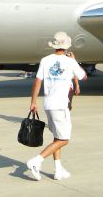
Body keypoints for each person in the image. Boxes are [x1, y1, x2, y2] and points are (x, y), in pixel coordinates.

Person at [27, 32, 87, 181]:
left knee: (57, 137)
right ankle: (36, 161)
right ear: (66, 46)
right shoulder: (70, 61)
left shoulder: (45, 60)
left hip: (48, 104)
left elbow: (38, 81)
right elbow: (83, 77)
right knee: (64, 139)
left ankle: (58, 169)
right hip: (60, 105)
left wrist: (33, 102)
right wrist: (75, 61)